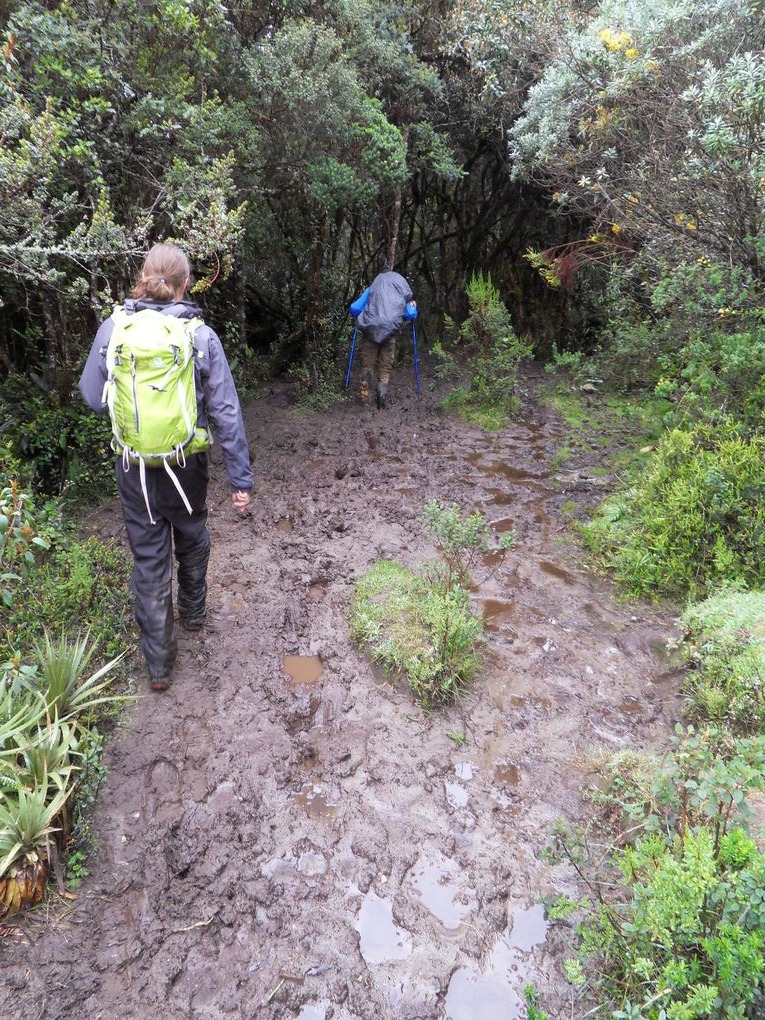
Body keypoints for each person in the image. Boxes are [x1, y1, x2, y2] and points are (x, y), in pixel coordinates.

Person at [79, 243, 252, 692]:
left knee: (149, 559)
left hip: (133, 468)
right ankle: (193, 614)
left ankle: (158, 668)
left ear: (144, 278)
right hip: (186, 465)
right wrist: (241, 479)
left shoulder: (114, 328)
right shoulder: (199, 335)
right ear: (184, 283)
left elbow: (92, 398)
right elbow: (226, 412)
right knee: (192, 536)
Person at [356, 264, 414, 409]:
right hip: (389, 334)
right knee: (385, 367)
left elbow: (355, 308)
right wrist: (413, 309)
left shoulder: (372, 288)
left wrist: (363, 316)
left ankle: (365, 399)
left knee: (368, 364)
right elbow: (408, 314)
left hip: (371, 332)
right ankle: (381, 400)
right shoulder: (398, 289)